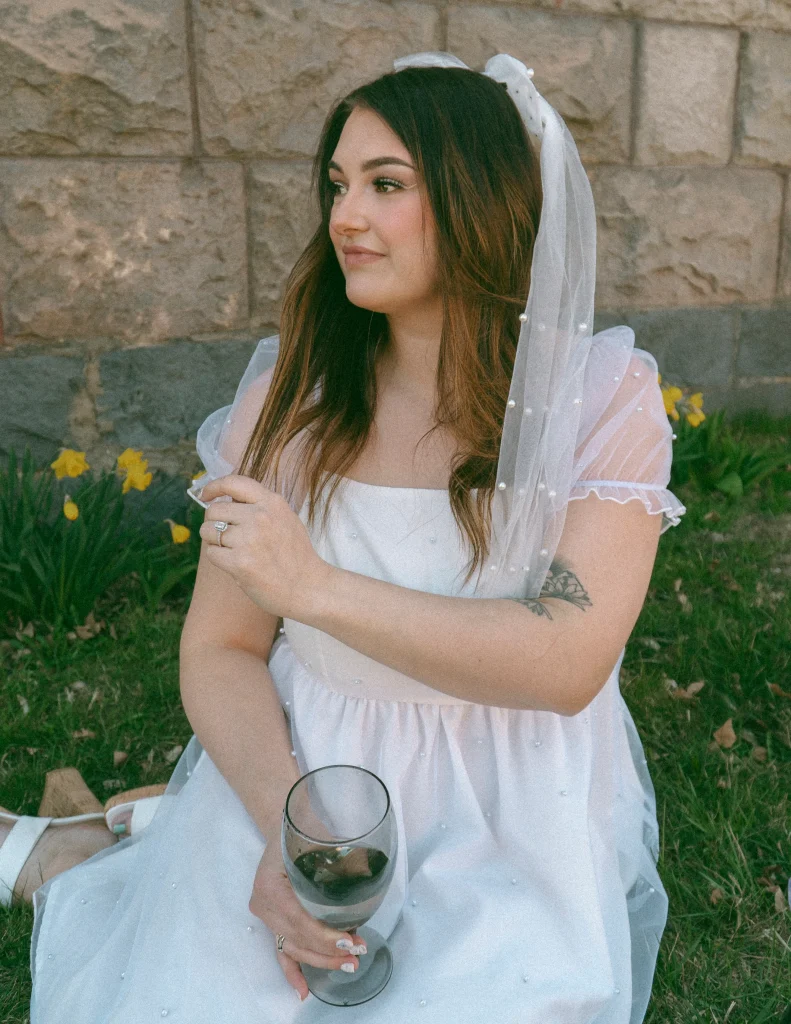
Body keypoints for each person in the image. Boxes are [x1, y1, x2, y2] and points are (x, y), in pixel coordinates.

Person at [20, 51, 686, 1022]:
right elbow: (221, 647)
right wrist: (286, 837)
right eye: (336, 184)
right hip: (304, 773)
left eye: (385, 185)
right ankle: (121, 843)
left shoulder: (599, 397)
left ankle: (111, 833)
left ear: (478, 198)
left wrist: (315, 588)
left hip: (503, 799)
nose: (343, 217)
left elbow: (564, 660)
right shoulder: (288, 403)